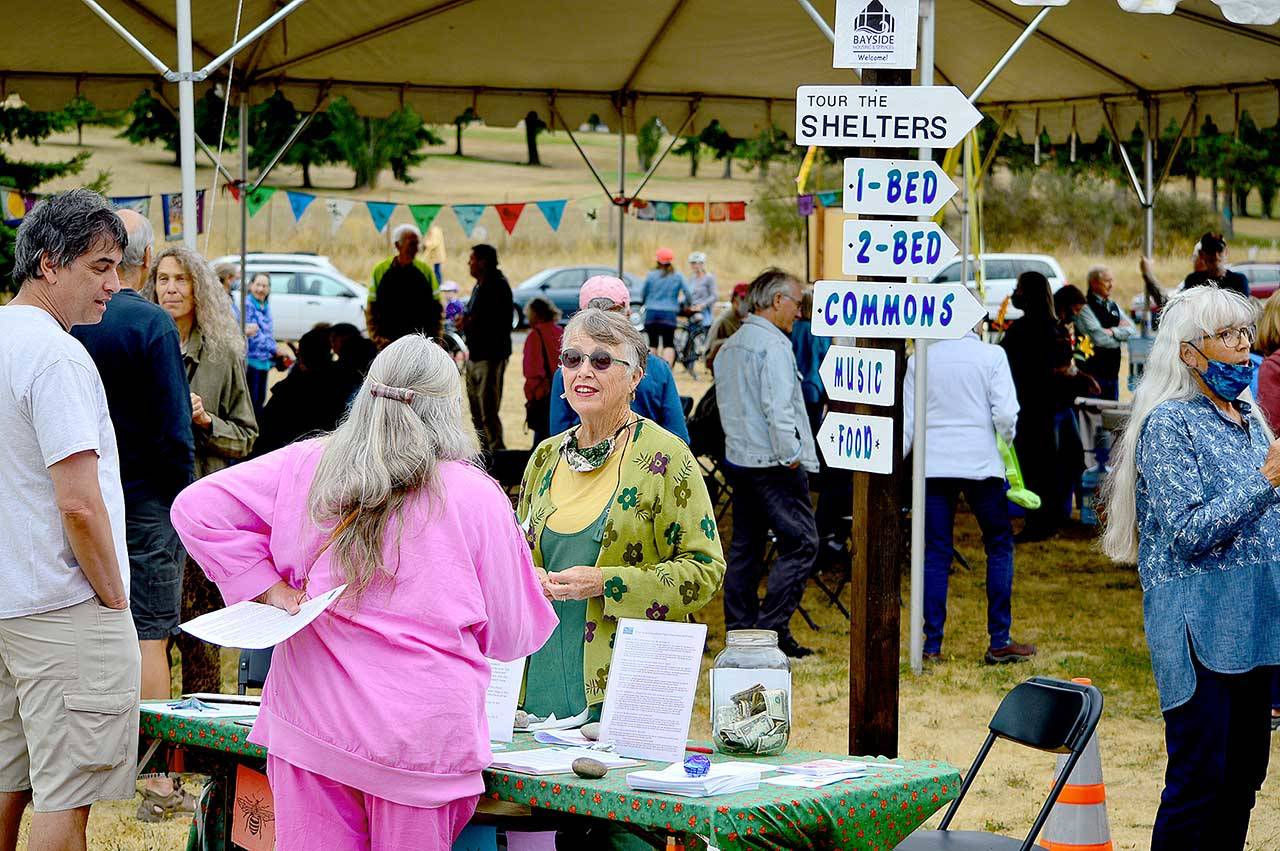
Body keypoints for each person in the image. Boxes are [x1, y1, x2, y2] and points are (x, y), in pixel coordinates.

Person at [172, 335, 557, 851]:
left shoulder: (311, 465)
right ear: (449, 409)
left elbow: (197, 507)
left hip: (311, 727)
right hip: (420, 743)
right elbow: (513, 635)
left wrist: (269, 590)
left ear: (367, 394)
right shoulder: (475, 495)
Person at [1101, 286, 1280, 851]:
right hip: (1198, 631)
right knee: (1199, 781)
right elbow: (1189, 532)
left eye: (1245, 333)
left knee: (1243, 780)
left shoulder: (1250, 417)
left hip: (1256, 629)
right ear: (1188, 353)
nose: (1243, 347)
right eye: (1227, 336)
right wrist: (1267, 480)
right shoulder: (1169, 426)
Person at [0, 190, 140, 849]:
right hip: (62, 606)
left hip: (8, 602)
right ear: (50, 264)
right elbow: (79, 502)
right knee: (65, 793)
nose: (115, 284)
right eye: (101, 266)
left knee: (6, 778)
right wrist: (113, 592)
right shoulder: (56, 355)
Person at [517, 308, 724, 723]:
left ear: (635, 376)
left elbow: (704, 571)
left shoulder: (665, 458)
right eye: (572, 359)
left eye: (602, 360)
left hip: (623, 686)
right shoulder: (544, 457)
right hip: (536, 683)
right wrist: (526, 575)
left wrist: (606, 583)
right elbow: (515, 556)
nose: (583, 372)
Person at [69, 209, 196, 815]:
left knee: (87, 635)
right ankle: (157, 783)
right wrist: (182, 493)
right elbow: (175, 429)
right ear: (143, 262)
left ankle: (82, 770)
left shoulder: (65, 323)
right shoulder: (151, 324)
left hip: (81, 496)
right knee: (151, 638)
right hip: (146, 499)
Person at [147, 246, 259, 695]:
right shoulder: (142, 342)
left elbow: (247, 436)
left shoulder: (222, 354)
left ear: (199, 288)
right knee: (152, 631)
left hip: (203, 513)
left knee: (201, 633)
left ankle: (202, 751)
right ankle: (153, 742)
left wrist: (206, 421)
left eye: (181, 280)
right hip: (151, 506)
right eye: (162, 279)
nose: (170, 289)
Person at [904, 328, 1038, 664]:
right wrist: (1003, 441)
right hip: (981, 463)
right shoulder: (991, 356)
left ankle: (931, 645)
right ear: (977, 323)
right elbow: (1006, 415)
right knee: (998, 544)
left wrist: (899, 465)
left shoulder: (919, 358)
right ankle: (999, 638)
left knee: (935, 553)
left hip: (932, 463)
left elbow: (908, 421)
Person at [714, 269, 820, 659]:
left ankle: (741, 629)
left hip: (741, 459)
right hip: (774, 462)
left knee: (746, 546)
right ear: (777, 301)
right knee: (801, 543)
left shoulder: (731, 346)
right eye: (796, 302)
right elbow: (778, 411)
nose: (799, 311)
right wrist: (792, 456)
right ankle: (771, 629)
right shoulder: (772, 346)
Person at [549, 276, 690, 444]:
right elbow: (678, 436)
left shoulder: (567, 372)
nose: (586, 371)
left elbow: (559, 437)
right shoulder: (658, 368)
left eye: (601, 361)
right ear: (628, 315)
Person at [1001, 271, 1068, 541]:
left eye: (1018, 289)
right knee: (1049, 466)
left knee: (1032, 467)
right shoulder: (1057, 329)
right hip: (1049, 407)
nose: (1014, 293)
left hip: (1027, 407)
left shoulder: (1020, 330)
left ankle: (1037, 522)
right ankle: (1048, 520)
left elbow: (1003, 363)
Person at [254, 327, 360, 456]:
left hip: (288, 457)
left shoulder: (288, 390)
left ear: (301, 357)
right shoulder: (345, 383)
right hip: (328, 457)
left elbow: (264, 436)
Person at [460, 244, 513, 453]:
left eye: (472, 259)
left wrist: (470, 322)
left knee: (488, 412)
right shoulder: (479, 285)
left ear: (483, 262)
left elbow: (497, 323)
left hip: (490, 357)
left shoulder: (497, 285)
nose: (469, 264)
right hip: (474, 355)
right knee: (475, 411)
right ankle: (486, 455)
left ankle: (497, 456)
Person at [368, 224, 442, 346]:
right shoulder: (380, 270)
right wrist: (376, 338)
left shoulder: (425, 270)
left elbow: (437, 308)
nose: (416, 249)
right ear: (398, 245)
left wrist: (437, 339)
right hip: (388, 342)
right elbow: (371, 308)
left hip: (420, 342)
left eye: (417, 244)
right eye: (412, 244)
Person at [1074, 266, 1135, 400]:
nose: (1111, 285)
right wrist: (1120, 335)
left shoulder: (1113, 306)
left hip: (1112, 374)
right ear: (1094, 283)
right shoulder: (1084, 307)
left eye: (1112, 280)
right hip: (1091, 374)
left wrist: (1112, 332)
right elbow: (1099, 338)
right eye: (1107, 281)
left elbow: (1133, 331)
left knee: (1110, 417)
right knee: (1092, 418)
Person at [523, 297, 563, 448]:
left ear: (536, 315)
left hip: (543, 396)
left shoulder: (535, 335)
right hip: (563, 395)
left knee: (541, 447)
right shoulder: (561, 332)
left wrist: (531, 396)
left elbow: (533, 371)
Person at [641, 247, 691, 366]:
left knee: (653, 343)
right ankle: (666, 370)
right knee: (668, 343)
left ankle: (652, 369)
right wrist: (685, 305)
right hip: (669, 313)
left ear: (657, 261)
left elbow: (644, 292)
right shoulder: (678, 276)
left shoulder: (651, 275)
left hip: (652, 312)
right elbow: (688, 293)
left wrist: (645, 303)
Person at [243, 272, 277, 419]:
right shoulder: (247, 305)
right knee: (252, 401)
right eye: (258, 285)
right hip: (251, 360)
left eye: (264, 285)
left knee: (260, 399)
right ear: (251, 286)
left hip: (264, 361)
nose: (261, 289)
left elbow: (268, 333)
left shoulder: (265, 305)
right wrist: (275, 349)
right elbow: (255, 335)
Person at [1181, 232, 1249, 297]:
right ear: (1201, 254)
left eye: (1219, 250)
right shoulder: (1193, 281)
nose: (1215, 256)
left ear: (1226, 252)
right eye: (1210, 250)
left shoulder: (1239, 281)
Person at [682, 251, 717, 375]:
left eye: (697, 263)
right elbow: (688, 295)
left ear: (702, 264)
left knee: (705, 340)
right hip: (692, 312)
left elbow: (714, 296)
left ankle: (708, 365)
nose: (695, 266)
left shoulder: (709, 278)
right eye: (692, 263)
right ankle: (688, 365)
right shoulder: (691, 278)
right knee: (689, 338)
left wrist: (702, 305)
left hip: (704, 314)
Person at [705, 282, 750, 375]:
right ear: (734, 300)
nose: (745, 303)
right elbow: (710, 352)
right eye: (742, 299)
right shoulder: (725, 320)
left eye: (748, 300)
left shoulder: (745, 318)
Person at [424, 223, 447, 289]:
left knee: (437, 271)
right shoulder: (436, 230)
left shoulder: (434, 231)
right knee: (437, 270)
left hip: (437, 255)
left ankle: (439, 284)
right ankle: (438, 284)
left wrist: (426, 244)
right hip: (437, 255)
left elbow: (434, 243)